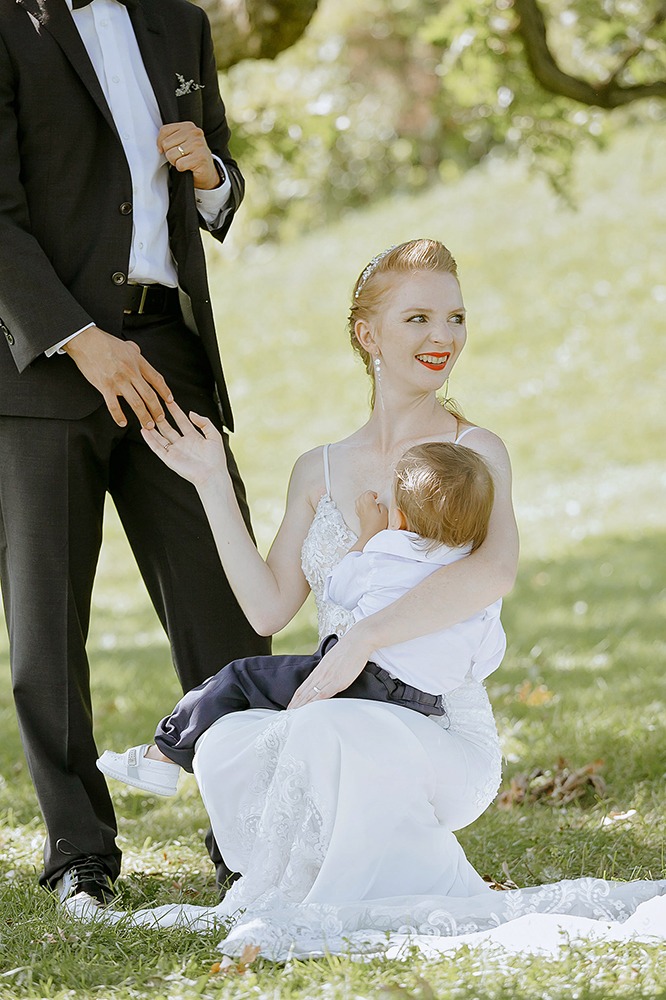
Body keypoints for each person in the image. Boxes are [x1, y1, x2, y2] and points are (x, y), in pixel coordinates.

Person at [67, 239, 666, 958]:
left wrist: (363, 638)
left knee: (319, 730)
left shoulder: (475, 453)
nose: (442, 337)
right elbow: (266, 609)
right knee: (226, 737)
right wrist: (210, 483)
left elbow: (492, 573)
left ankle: (344, 909)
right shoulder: (316, 469)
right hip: (334, 712)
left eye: (454, 317)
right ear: (367, 334)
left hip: (437, 731)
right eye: (417, 318)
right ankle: (299, 890)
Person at [0, 0, 269, 905]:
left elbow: (219, 183)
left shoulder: (180, 22)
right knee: (47, 633)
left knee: (228, 602)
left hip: (171, 354)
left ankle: (253, 835)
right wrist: (79, 337)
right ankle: (81, 854)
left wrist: (210, 175)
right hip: (44, 367)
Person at [96, 440, 506, 794]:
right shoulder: (472, 584)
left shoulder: (386, 553)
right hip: (425, 705)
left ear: (398, 518)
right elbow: (488, 656)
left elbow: (338, 589)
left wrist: (368, 533)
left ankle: (163, 754)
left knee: (239, 677)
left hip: (361, 681)